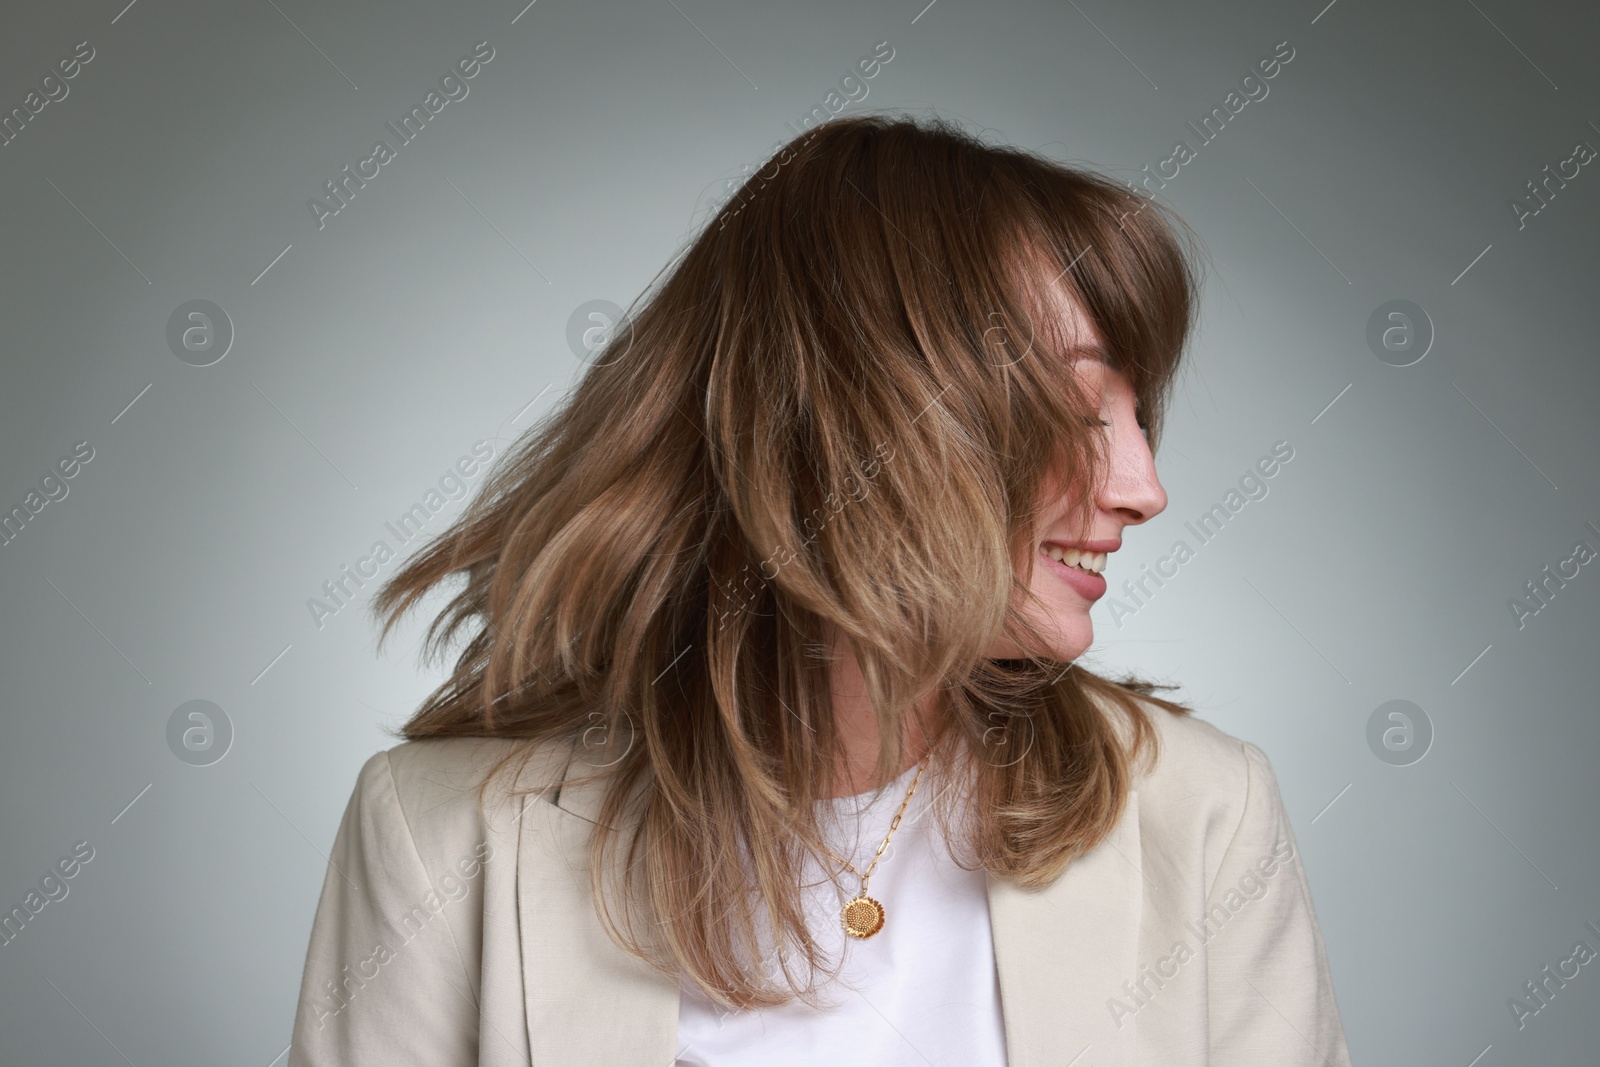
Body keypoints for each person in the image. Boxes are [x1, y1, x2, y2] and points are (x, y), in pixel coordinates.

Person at [287, 113, 1353, 1066]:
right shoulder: (442, 835)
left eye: (1139, 417)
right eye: (1077, 414)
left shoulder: (1200, 812)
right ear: (860, 422)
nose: (1143, 487)